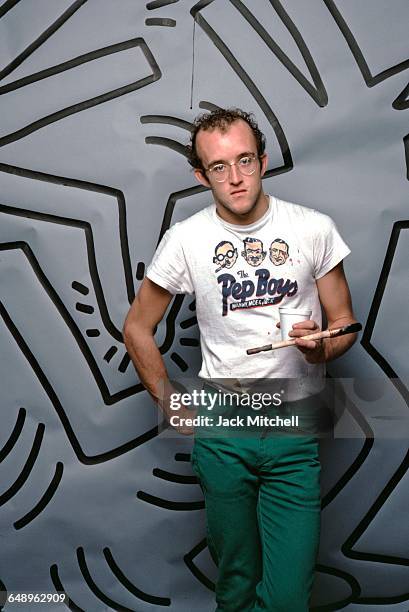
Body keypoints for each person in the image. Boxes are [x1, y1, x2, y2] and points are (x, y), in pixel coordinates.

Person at [123, 108, 357, 611]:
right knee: (235, 583)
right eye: (218, 166)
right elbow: (137, 327)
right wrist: (170, 403)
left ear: (263, 160)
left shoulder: (313, 229)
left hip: (295, 425)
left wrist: (323, 344)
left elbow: (345, 326)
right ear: (200, 175)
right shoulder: (186, 239)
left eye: (245, 160)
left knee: (289, 596)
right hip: (223, 428)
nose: (234, 178)